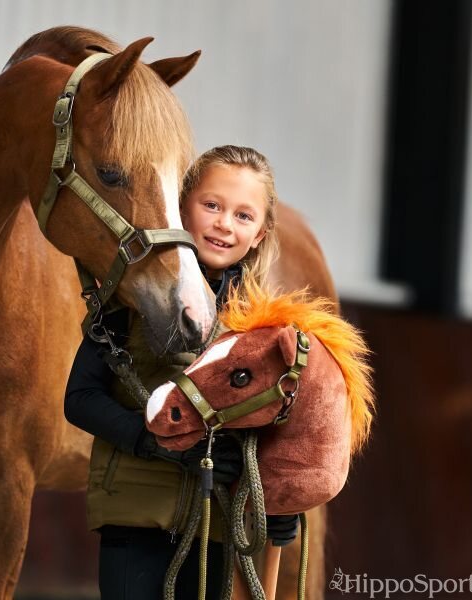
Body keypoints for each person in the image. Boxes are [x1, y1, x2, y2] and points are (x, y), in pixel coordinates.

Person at [65, 145, 299, 600]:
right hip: (135, 515)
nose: (224, 224)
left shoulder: (265, 328)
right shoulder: (130, 296)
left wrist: (282, 499)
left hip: (217, 526)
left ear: (260, 234)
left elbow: (274, 430)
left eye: (243, 215)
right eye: (211, 205)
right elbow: (81, 398)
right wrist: (158, 444)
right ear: (181, 207)